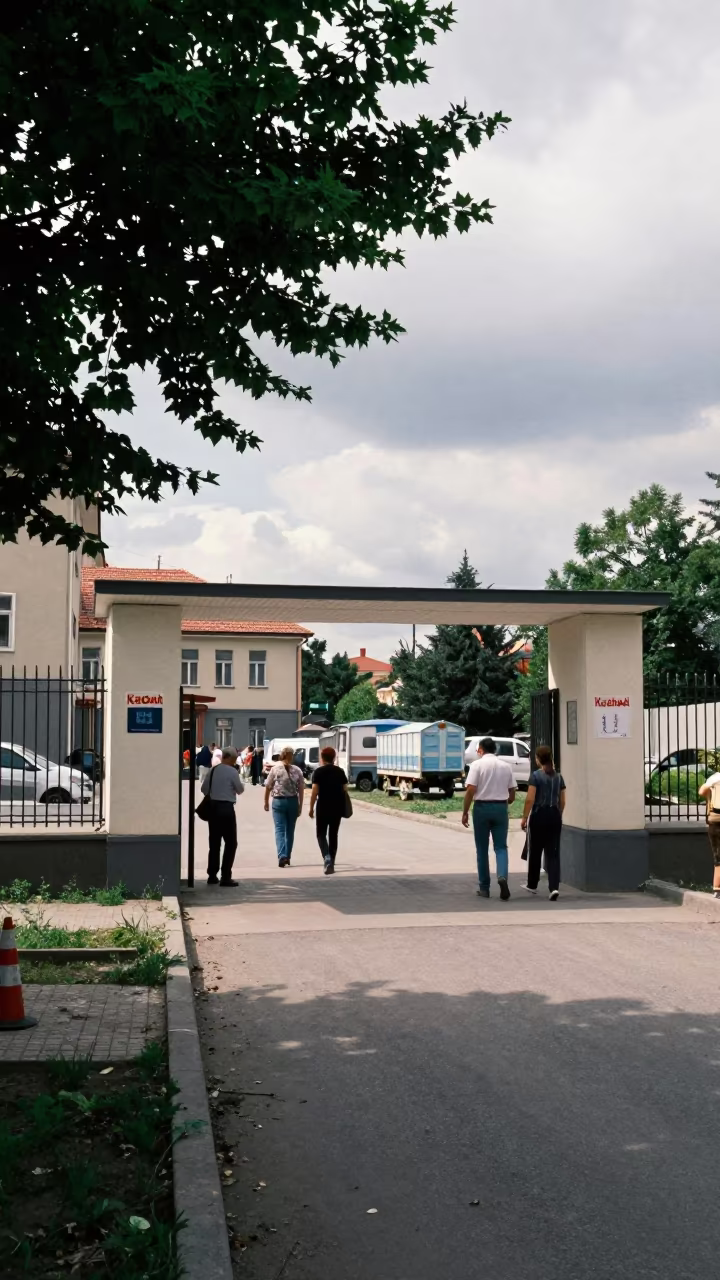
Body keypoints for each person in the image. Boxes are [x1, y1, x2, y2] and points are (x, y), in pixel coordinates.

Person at [462, 737, 516, 899]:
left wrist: (465, 811)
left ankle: (484, 888)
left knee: (482, 849)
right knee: (501, 847)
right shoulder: (506, 766)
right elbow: (512, 793)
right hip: (500, 808)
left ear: (480, 750)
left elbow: (471, 790)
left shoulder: (476, 765)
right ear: (495, 749)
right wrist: (506, 801)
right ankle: (502, 876)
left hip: (481, 809)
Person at [521, 745, 566, 901]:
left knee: (535, 850)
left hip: (539, 815)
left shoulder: (536, 776)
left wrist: (524, 817)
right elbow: (563, 801)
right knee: (553, 853)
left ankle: (532, 884)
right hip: (554, 815)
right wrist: (558, 814)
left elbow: (530, 799)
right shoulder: (559, 777)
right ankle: (554, 888)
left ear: (539, 759)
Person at [200, 747, 244, 887]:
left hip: (213, 808)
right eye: (234, 759)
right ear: (229, 758)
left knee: (214, 843)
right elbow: (240, 789)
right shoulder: (232, 771)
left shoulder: (213, 770)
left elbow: (204, 789)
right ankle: (226, 876)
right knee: (231, 843)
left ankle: (212, 875)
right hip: (226, 809)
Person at [308, 745, 348, 874]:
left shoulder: (318, 772)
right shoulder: (340, 771)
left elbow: (314, 791)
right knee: (333, 834)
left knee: (320, 833)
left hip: (323, 806)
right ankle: (332, 862)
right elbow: (345, 789)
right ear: (334, 758)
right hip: (337, 806)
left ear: (322, 758)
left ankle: (326, 857)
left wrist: (311, 808)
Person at [264, 746, 304, 867]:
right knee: (290, 830)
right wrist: (300, 805)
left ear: (282, 755)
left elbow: (268, 786)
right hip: (292, 802)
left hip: (278, 802)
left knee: (279, 829)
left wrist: (265, 801)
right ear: (292, 756)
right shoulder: (297, 770)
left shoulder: (275, 769)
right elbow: (301, 790)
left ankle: (282, 856)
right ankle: (288, 856)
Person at [697, 770, 720, 898]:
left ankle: (717, 889)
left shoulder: (715, 778)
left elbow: (701, 792)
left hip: (716, 820)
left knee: (718, 855)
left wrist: (710, 796)